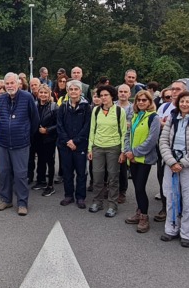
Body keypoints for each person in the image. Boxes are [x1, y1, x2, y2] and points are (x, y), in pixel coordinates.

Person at [158, 92, 189, 247]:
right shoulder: (172, 120)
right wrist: (172, 162)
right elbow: (163, 142)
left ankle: (187, 233)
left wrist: (183, 163)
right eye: (182, 101)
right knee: (171, 197)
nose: (185, 104)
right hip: (171, 165)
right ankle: (171, 229)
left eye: (188, 102)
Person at [0, 73, 39, 216]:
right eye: (7, 84)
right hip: (3, 144)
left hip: (21, 144)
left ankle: (22, 203)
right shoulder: (1, 100)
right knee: (5, 173)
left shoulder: (27, 97)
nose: (9, 86)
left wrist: (25, 134)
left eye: (12, 83)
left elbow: (35, 120)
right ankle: (6, 200)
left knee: (20, 175)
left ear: (18, 83)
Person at [123, 90, 160, 233]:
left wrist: (135, 152)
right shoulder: (135, 116)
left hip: (143, 159)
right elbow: (128, 135)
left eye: (144, 100)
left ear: (150, 102)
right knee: (137, 187)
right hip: (132, 158)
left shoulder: (154, 118)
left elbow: (152, 140)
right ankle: (139, 211)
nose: (141, 102)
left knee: (140, 187)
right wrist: (127, 150)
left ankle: (144, 216)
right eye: (139, 100)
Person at [87, 85, 126, 217]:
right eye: (101, 95)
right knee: (97, 176)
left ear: (112, 96)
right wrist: (90, 148)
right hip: (97, 147)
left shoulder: (120, 111)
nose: (103, 98)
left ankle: (112, 205)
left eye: (106, 95)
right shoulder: (96, 111)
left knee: (113, 177)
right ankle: (97, 202)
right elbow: (92, 129)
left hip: (113, 148)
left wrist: (122, 151)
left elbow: (124, 132)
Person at [153, 80, 188, 222]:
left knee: (182, 182)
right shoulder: (164, 106)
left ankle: (181, 210)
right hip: (164, 147)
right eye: (173, 89)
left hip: (183, 152)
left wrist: (163, 123)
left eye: (178, 89)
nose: (174, 92)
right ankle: (165, 206)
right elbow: (156, 122)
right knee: (162, 177)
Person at [57, 80, 91, 209]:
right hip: (65, 146)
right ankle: (68, 195)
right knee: (67, 172)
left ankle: (81, 197)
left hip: (80, 145)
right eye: (71, 89)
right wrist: (68, 141)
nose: (73, 92)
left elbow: (87, 126)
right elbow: (59, 126)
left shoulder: (87, 107)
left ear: (80, 91)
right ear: (67, 91)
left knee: (81, 172)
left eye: (76, 89)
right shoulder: (63, 107)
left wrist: (75, 141)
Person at [32, 85, 58, 196]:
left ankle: (50, 185)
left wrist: (47, 130)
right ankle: (41, 180)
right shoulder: (35, 105)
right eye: (41, 92)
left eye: (45, 93)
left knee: (50, 161)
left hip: (49, 138)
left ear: (49, 94)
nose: (43, 95)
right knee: (41, 160)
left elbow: (59, 124)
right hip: (37, 138)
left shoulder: (54, 106)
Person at [115, 84, 134, 203]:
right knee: (110, 167)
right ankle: (111, 188)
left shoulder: (132, 108)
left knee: (122, 167)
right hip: (110, 139)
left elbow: (130, 124)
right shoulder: (112, 105)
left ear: (129, 94)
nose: (122, 93)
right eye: (120, 91)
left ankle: (122, 191)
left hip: (125, 140)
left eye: (125, 92)